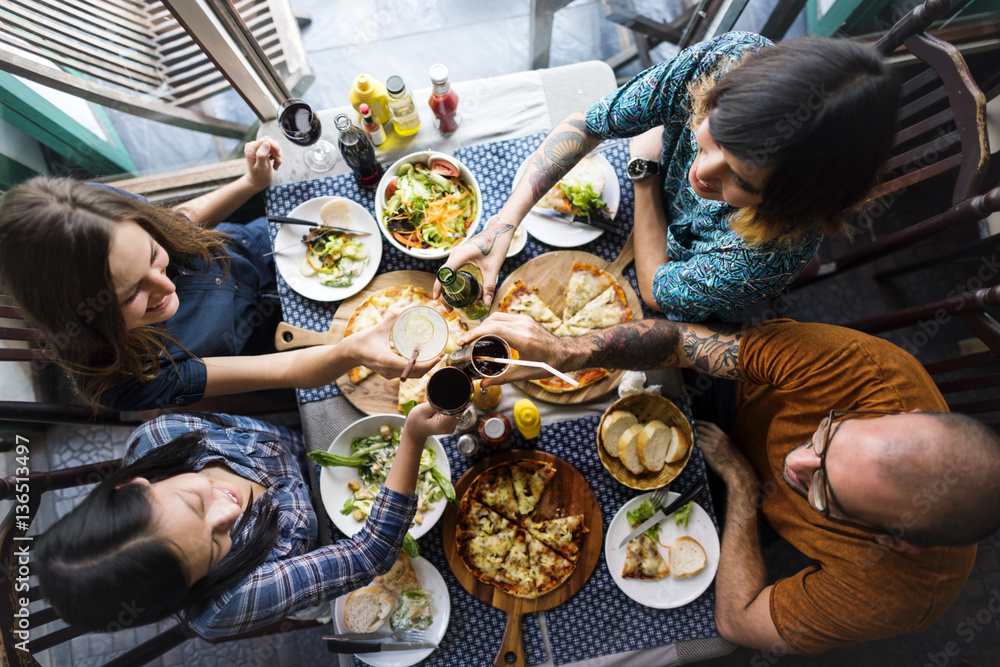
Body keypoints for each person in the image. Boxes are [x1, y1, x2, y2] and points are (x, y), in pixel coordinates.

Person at [468, 312, 1000, 654]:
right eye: (828, 436)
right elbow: (678, 341)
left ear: (894, 540)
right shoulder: (865, 370)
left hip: (744, 503)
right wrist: (567, 352)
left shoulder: (898, 597)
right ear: (894, 414)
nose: (797, 462)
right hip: (732, 401)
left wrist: (745, 487)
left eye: (823, 493)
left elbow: (739, 625)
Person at [436, 32, 900, 321]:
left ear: (788, 204)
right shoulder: (729, 59)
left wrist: (643, 176)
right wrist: (505, 222)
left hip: (671, 255)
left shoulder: (769, 255)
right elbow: (588, 124)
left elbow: (658, 288)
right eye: (713, 135)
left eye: (739, 180)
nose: (701, 171)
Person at [0, 140, 436, 411]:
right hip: (266, 354)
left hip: (267, 254)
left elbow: (177, 223)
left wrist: (249, 183)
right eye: (133, 292)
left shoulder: (96, 213)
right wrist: (350, 353)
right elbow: (285, 371)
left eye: (155, 257)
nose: (166, 287)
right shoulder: (124, 379)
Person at [34, 403, 457, 637]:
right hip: (327, 554)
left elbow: (272, 436)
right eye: (218, 543)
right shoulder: (224, 604)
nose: (230, 510)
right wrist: (412, 439)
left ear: (134, 487)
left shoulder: (162, 434)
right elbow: (368, 556)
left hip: (316, 460)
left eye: (194, 504)